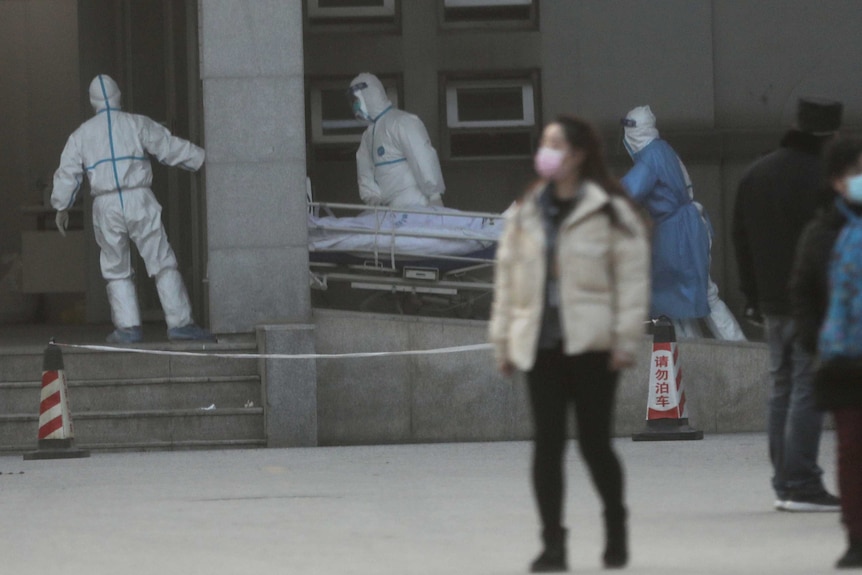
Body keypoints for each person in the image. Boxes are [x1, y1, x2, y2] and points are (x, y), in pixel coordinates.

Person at [488, 115, 650, 571]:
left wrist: (625, 339)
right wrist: (502, 343)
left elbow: (633, 279)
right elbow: (508, 281)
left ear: (578, 155)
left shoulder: (608, 210)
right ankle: (552, 543)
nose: (547, 151)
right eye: (545, 143)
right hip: (541, 344)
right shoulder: (527, 211)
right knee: (547, 445)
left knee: (594, 444)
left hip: (593, 344)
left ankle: (616, 526)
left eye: (556, 144)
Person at [733, 96, 843, 512]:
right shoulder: (825, 178)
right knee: (806, 387)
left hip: (771, 301)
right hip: (812, 300)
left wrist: (751, 296)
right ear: (832, 133)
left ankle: (784, 481)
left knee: (780, 387)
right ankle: (801, 483)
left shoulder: (755, 173)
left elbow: (740, 239)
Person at [52, 74, 214, 344]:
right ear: (119, 96)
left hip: (106, 204)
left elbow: (68, 173)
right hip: (139, 198)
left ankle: (128, 327)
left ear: (93, 102)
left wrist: (61, 205)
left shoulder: (81, 135)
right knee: (161, 260)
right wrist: (202, 158)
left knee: (116, 267)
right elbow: (168, 147)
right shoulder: (136, 123)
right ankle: (180, 323)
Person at [791, 136, 862, 567]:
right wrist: (815, 340)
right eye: (856, 172)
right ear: (837, 180)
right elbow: (803, 291)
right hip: (843, 361)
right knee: (852, 451)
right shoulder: (822, 233)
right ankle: (856, 536)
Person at [620, 105, 745, 340]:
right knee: (680, 300)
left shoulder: (650, 158)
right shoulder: (662, 149)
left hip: (678, 232)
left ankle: (735, 347)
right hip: (685, 227)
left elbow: (626, 193)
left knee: (692, 296)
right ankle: (698, 352)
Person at [348, 73, 445, 208]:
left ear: (369, 96)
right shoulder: (368, 136)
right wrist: (371, 197)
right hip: (387, 211)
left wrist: (434, 195)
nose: (355, 106)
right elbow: (365, 170)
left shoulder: (401, 122)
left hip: (415, 203)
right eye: (353, 102)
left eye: (356, 100)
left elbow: (422, 157)